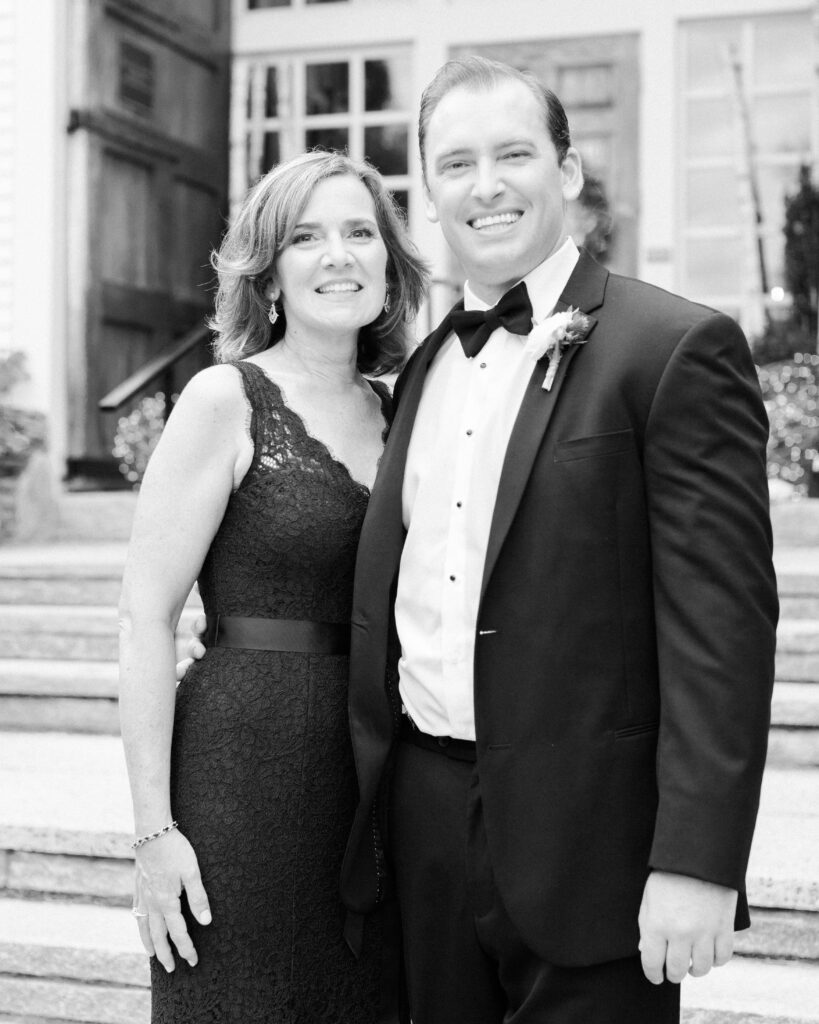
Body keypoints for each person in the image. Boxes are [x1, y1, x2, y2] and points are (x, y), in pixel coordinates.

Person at [337, 56, 778, 1024]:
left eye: (513, 154)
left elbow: (722, 631)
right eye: (455, 163)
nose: (484, 185)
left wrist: (697, 860)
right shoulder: (418, 370)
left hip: (596, 846)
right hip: (423, 824)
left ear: (568, 172)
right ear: (428, 191)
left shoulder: (673, 348)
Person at [118, 149, 427, 1023]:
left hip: (378, 779)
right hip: (241, 778)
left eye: (359, 233)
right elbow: (144, 617)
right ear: (270, 274)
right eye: (306, 236)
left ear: (388, 263)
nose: (338, 254)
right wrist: (153, 832)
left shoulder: (411, 410)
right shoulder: (225, 398)